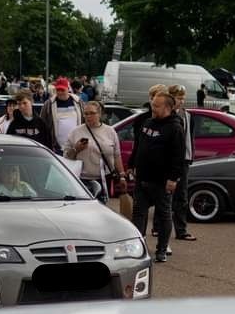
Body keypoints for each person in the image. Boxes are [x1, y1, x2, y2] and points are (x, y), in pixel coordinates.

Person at [130, 92, 185, 263]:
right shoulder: (147, 122)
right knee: (138, 213)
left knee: (163, 214)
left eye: (157, 105)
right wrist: (132, 164)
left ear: (168, 108)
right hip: (142, 178)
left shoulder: (175, 127)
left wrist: (173, 178)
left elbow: (178, 156)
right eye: (152, 104)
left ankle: (161, 249)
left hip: (161, 181)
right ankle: (138, 247)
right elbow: (138, 146)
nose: (152, 108)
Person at [63, 101, 130, 217]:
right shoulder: (76, 132)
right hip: (82, 179)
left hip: (104, 180)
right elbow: (66, 157)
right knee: (83, 213)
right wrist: (76, 149)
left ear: (100, 114)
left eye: (92, 113)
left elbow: (116, 155)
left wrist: (122, 176)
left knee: (101, 211)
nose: (88, 116)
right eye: (86, 113)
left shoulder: (110, 131)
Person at [168, 84, 197, 241]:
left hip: (184, 160)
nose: (181, 101)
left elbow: (190, 139)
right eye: (178, 98)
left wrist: (190, 156)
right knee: (165, 195)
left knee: (182, 196)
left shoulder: (188, 116)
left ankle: (181, 229)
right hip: (170, 160)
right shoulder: (167, 115)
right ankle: (158, 228)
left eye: (183, 98)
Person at [41, 77, 85, 154]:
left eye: (62, 90)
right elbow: (42, 123)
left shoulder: (78, 102)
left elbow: (84, 119)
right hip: (56, 148)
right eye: (58, 90)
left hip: (77, 146)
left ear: (68, 89)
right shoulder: (48, 104)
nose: (60, 92)